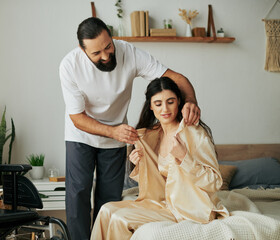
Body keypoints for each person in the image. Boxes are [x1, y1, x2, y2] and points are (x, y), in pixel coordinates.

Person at [59, 17, 201, 240]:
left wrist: (190, 99)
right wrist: (112, 131)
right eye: (96, 53)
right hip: (81, 136)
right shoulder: (69, 65)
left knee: (110, 201)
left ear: (111, 36)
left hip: (116, 138)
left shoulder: (130, 53)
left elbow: (174, 78)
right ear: (82, 50)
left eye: (108, 47)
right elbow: (77, 117)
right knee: (77, 197)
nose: (106, 56)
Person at [90, 77, 229, 240]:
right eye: (158, 104)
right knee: (106, 209)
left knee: (120, 219)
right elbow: (160, 183)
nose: (165, 109)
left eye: (170, 102)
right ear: (150, 106)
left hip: (188, 209)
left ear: (179, 102)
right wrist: (140, 166)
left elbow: (215, 182)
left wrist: (184, 158)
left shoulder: (195, 134)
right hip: (162, 204)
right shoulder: (152, 136)